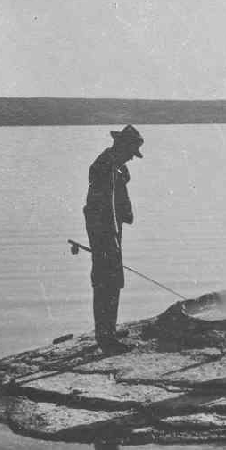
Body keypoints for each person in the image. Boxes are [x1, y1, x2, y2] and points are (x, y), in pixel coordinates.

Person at [84, 124, 144, 354]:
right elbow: (105, 204)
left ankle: (108, 329)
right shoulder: (106, 166)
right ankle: (105, 337)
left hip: (109, 230)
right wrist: (111, 237)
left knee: (112, 280)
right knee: (106, 282)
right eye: (131, 151)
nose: (132, 157)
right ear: (122, 145)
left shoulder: (114, 165)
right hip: (104, 231)